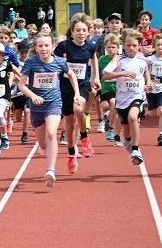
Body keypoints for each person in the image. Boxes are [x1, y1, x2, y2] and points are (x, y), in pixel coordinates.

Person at [18, 35, 74, 187]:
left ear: (52, 47)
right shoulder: (31, 62)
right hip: (36, 107)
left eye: (46, 45)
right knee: (43, 144)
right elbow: (21, 85)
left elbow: (71, 74)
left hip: (54, 104)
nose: (43, 49)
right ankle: (43, 148)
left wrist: (77, 94)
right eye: (40, 46)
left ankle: (51, 170)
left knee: (51, 133)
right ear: (36, 48)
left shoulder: (60, 62)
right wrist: (33, 95)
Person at [53, 14, 99, 175]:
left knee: (79, 108)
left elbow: (94, 59)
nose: (81, 33)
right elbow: (54, 64)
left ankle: (85, 138)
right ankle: (72, 154)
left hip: (83, 84)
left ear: (88, 33)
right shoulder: (63, 47)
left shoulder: (90, 47)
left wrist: (96, 77)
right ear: (72, 32)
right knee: (70, 124)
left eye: (84, 30)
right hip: (65, 87)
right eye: (78, 30)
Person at [103, 31, 150, 164]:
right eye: (128, 45)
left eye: (134, 45)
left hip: (137, 95)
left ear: (139, 45)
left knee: (133, 117)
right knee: (126, 132)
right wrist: (121, 74)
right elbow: (106, 76)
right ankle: (131, 147)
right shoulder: (118, 60)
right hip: (122, 99)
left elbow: (146, 72)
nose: (131, 48)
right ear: (124, 46)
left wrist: (149, 83)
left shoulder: (143, 60)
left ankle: (135, 149)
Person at [97, 34, 122, 146]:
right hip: (105, 89)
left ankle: (111, 129)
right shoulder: (102, 59)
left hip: (116, 89)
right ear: (105, 48)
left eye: (113, 47)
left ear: (118, 47)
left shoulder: (121, 59)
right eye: (109, 47)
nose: (111, 49)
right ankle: (108, 118)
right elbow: (96, 71)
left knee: (113, 104)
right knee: (106, 107)